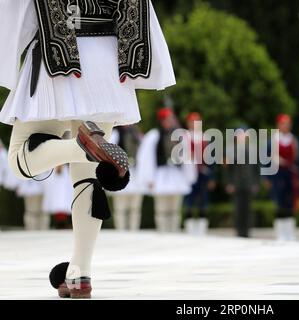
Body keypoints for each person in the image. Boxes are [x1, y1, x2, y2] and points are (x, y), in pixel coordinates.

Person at [0, 0, 175, 298]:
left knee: (19, 159)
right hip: (107, 62)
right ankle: (80, 273)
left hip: (56, 56)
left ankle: (81, 147)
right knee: (88, 179)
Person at [137, 108, 197, 233]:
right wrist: (149, 178)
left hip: (176, 174)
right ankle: (163, 231)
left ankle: (173, 231)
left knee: (174, 208)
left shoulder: (180, 135)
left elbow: (186, 156)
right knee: (162, 208)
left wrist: (188, 175)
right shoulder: (154, 136)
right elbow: (147, 158)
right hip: (161, 174)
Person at [266, 114, 299, 241]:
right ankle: (280, 233)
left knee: (290, 204)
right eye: (283, 124)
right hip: (277, 175)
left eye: (287, 124)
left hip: (291, 175)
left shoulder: (294, 140)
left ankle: (290, 232)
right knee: (279, 203)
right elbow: (265, 160)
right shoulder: (272, 140)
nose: (285, 126)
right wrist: (267, 178)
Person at [224, 126, 260, 238]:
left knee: (248, 209)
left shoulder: (253, 150)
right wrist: (229, 183)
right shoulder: (230, 151)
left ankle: (247, 231)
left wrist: (256, 183)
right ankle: (239, 232)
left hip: (248, 184)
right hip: (236, 184)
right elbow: (227, 170)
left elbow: (256, 169)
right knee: (238, 209)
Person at [184, 112, 216, 236]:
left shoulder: (205, 137)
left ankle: (202, 230)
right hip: (189, 174)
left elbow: (211, 160)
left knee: (203, 201)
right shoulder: (185, 137)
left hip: (203, 173)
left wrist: (212, 177)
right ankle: (190, 230)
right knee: (189, 202)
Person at [110, 125, 145, 231]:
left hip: (135, 172)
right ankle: (121, 230)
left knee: (135, 206)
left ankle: (134, 229)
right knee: (120, 207)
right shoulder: (115, 134)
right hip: (121, 172)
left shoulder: (137, 133)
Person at [42, 165, 72, 229]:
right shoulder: (51, 173)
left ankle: (65, 225)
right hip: (55, 199)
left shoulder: (68, 172)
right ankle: (58, 225)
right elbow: (46, 183)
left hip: (65, 200)